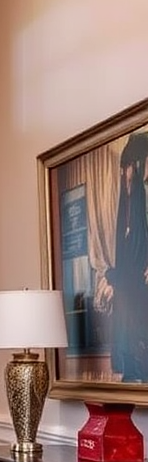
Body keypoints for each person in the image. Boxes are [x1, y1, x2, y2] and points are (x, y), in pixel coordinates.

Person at [99, 133, 148, 382]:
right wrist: (111, 276)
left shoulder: (142, 200)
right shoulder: (126, 208)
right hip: (130, 284)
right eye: (125, 168)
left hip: (138, 285)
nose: (126, 174)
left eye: (130, 167)